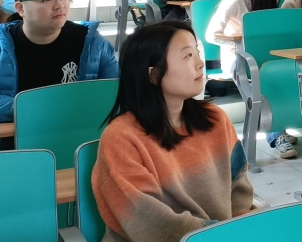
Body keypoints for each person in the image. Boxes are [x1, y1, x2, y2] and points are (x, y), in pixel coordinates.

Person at [93, 21, 254, 241]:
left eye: (197, 53)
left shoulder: (216, 119)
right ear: (154, 75)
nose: (200, 63)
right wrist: (220, 236)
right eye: (187, 56)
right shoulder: (121, 138)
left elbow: (240, 194)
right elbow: (151, 224)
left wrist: (242, 230)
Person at [205, 0, 286, 79]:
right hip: (237, 57)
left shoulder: (271, 0)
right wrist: (243, 44)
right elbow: (210, 35)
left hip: (263, 54)